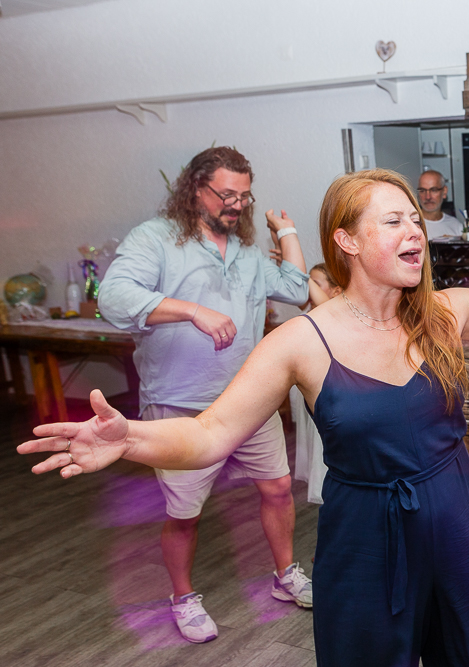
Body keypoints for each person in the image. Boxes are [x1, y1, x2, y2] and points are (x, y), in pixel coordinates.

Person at [21, 168, 469, 666]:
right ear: (345, 240)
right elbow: (208, 433)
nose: (416, 231)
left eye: (416, 218)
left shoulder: (445, 313)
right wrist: (130, 436)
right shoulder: (299, 341)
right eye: (394, 220)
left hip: (456, 518)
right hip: (363, 538)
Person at [96, 146, 313, 644]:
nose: (236, 205)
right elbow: (113, 297)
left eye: (244, 196)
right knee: (184, 513)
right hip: (180, 407)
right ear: (195, 189)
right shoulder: (155, 239)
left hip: (249, 400)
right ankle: (182, 598)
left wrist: (287, 232)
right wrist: (192, 311)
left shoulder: (247, 252)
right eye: (225, 194)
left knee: (278, 489)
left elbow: (297, 288)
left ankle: (285, 576)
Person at [291, 263, 342, 504]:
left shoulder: (333, 313)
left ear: (335, 291)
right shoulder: (306, 317)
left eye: (316, 282)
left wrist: (301, 275)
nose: (308, 285)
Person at [417, 170, 463, 238]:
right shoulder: (412, 226)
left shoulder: (456, 226)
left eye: (433, 190)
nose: (428, 197)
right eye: (422, 191)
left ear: (444, 192)